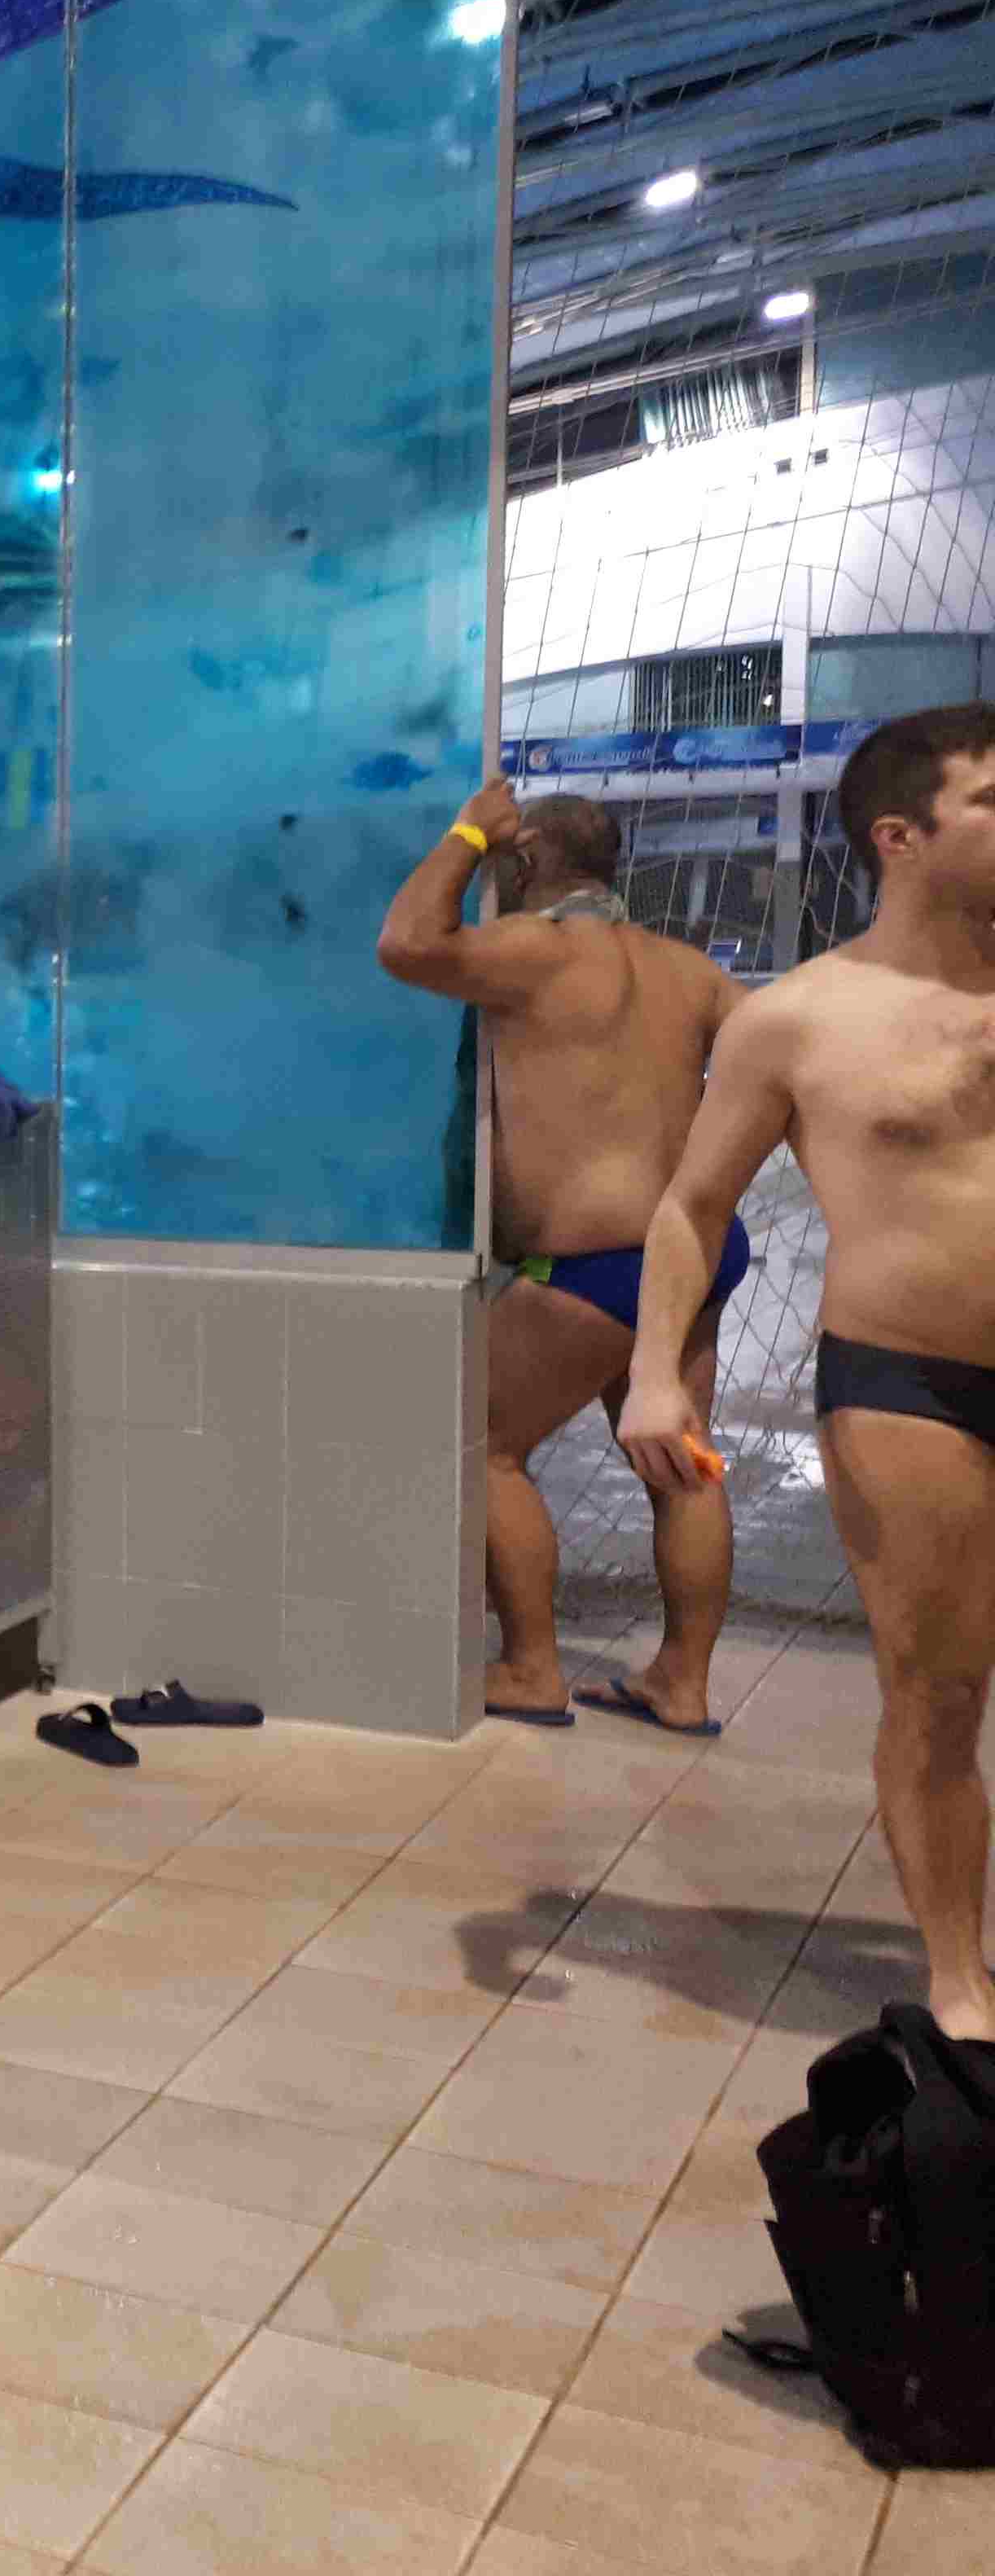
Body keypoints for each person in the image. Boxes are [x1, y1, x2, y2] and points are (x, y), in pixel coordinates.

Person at [625, 703, 995, 2040]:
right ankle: (960, 1981)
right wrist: (655, 1373)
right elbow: (692, 1205)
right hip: (910, 1382)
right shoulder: (796, 1020)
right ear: (901, 835)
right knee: (936, 1689)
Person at [376, 779, 748, 1730]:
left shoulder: (533, 951)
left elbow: (406, 942)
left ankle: (532, 1670)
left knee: (483, 1446)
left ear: (529, 858)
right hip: (697, 1247)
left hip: (595, 1264)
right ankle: (682, 1683)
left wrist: (467, 834)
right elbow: (772, 1071)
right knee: (680, 1461)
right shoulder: (689, 970)